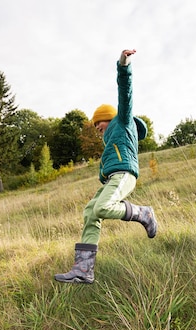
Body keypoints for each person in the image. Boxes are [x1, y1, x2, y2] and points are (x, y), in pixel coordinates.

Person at [54, 49, 158, 284]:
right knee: (91, 211)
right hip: (113, 177)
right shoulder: (109, 138)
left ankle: (144, 213)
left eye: (98, 122)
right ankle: (83, 270)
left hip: (124, 173)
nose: (96, 127)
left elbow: (126, 93)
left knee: (102, 207)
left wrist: (124, 66)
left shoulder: (122, 121)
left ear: (108, 117)